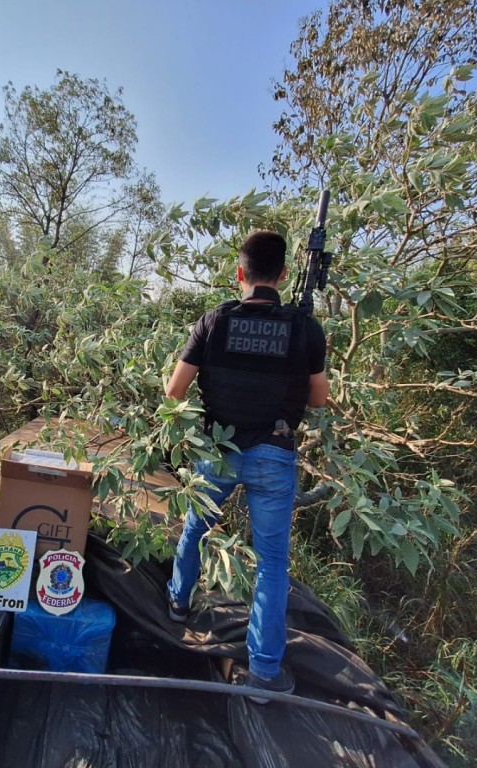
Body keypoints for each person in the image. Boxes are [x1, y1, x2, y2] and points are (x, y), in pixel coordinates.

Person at [164, 230, 328, 699]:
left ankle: (177, 605)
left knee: (195, 529)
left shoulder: (215, 320)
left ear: (239, 273)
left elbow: (174, 391)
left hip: (219, 450)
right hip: (274, 452)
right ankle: (264, 673)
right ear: (284, 274)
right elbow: (319, 400)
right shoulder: (305, 328)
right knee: (272, 563)